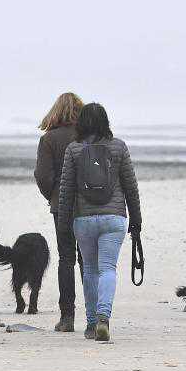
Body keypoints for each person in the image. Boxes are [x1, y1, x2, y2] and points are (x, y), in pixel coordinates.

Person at [56, 103, 142, 342]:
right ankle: (104, 315)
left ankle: (92, 323)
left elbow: (66, 190)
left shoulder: (73, 149)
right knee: (107, 268)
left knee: (90, 270)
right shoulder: (118, 147)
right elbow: (130, 187)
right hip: (113, 218)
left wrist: (63, 223)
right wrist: (136, 220)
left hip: (83, 219)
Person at [34, 92, 84, 332]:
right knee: (89, 261)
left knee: (67, 259)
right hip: (90, 205)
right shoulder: (89, 137)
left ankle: (67, 317)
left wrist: (53, 196)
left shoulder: (50, 139)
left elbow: (43, 176)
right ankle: (95, 315)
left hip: (62, 206)